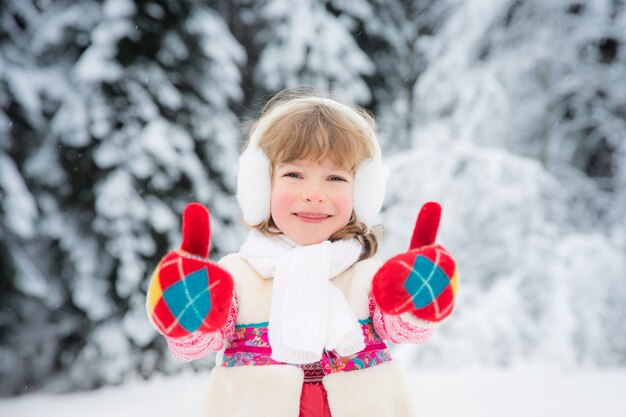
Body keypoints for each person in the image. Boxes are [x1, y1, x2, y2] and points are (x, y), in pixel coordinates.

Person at [146, 89, 458, 417]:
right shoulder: (238, 275)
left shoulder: (365, 272)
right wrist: (186, 313)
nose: (313, 194)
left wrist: (419, 297)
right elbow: (194, 345)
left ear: (359, 192)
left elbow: (403, 329)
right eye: (294, 174)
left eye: (335, 177)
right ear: (262, 186)